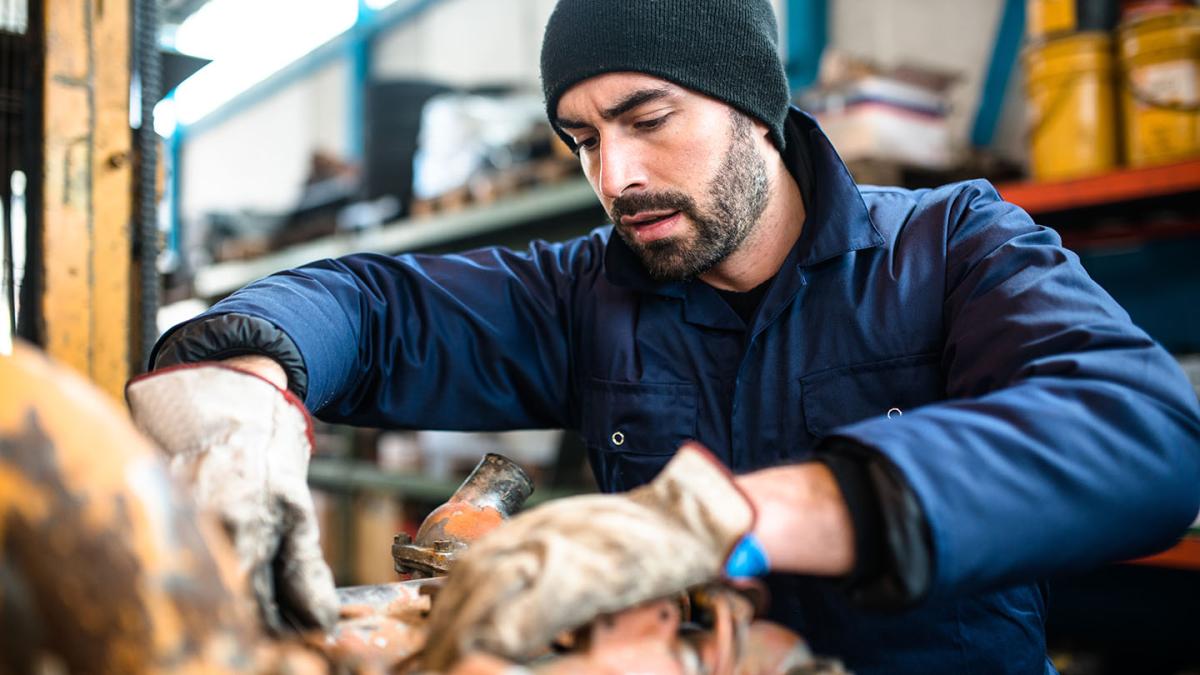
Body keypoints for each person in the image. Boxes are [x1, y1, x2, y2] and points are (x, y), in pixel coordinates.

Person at [126, 0, 1200, 672]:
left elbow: (1147, 434)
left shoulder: (950, 246)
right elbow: (373, 306)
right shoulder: (589, 292)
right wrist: (244, 385)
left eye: (648, 120)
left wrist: (741, 514)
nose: (615, 178)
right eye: (582, 138)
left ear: (754, 109)